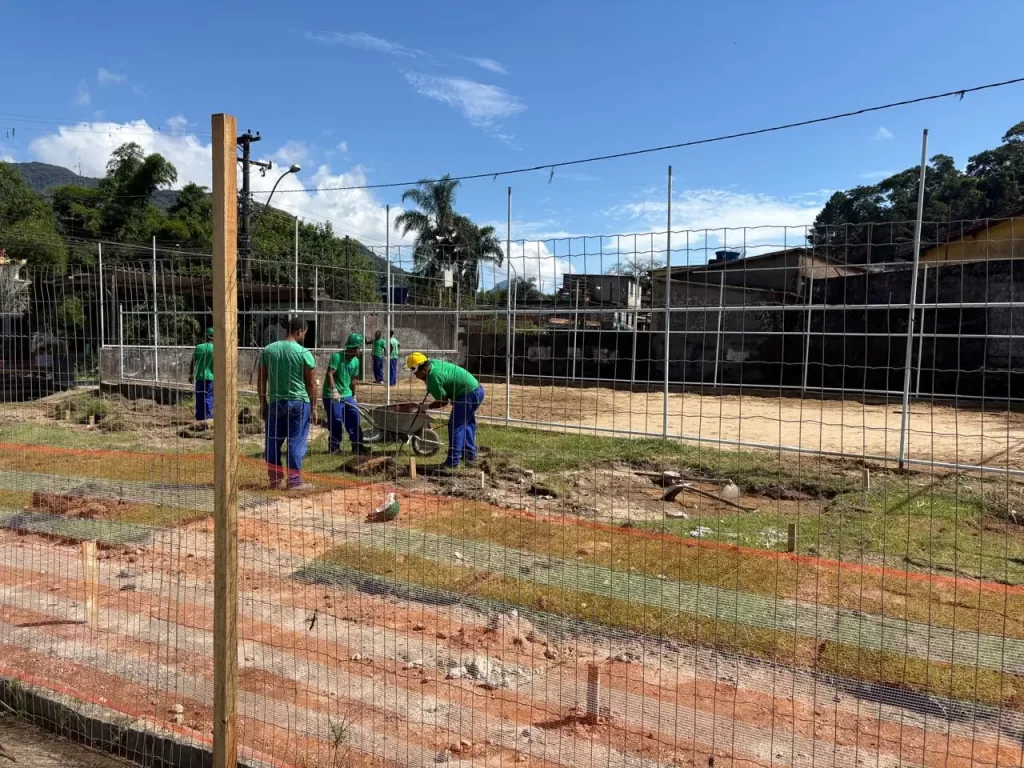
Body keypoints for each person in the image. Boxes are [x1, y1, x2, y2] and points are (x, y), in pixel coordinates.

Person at [258, 317, 318, 490]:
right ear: (299, 331)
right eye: (304, 334)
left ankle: (275, 480)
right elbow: (311, 383)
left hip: (276, 402)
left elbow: (262, 378)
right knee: (296, 442)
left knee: (273, 441)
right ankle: (294, 481)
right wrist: (314, 407)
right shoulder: (303, 353)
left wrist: (263, 402)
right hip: (299, 403)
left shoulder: (269, 350)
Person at [407, 353, 485, 470]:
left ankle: (453, 462)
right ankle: (470, 456)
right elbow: (449, 380)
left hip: (467, 394)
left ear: (422, 368)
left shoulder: (433, 379)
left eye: (414, 371)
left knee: (455, 426)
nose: (415, 376)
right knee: (467, 423)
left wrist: (427, 406)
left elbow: (443, 402)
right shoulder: (433, 363)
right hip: (477, 390)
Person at [324, 333, 366, 454]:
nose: (359, 350)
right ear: (351, 348)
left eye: (359, 348)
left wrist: (354, 395)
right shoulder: (337, 357)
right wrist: (334, 391)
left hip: (347, 394)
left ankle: (357, 445)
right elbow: (330, 374)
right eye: (357, 348)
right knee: (336, 420)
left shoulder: (356, 361)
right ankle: (334, 447)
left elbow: (353, 380)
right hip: (332, 395)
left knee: (354, 417)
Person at [188, 327, 215, 423]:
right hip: (211, 377)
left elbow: (193, 361)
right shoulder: (216, 349)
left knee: (199, 396)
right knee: (209, 396)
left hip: (199, 376)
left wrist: (191, 374)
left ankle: (199, 417)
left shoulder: (199, 347)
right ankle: (208, 417)